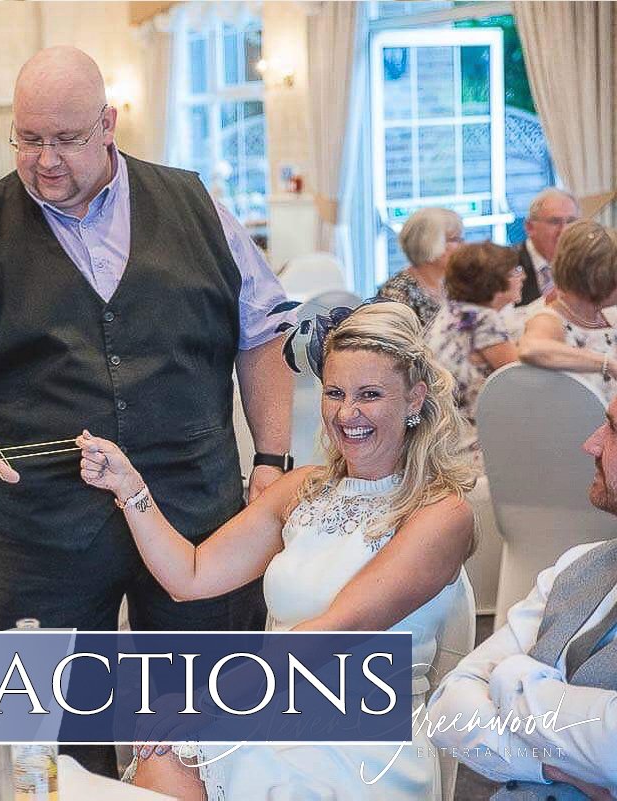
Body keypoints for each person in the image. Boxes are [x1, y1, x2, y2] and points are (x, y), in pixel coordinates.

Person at [0, 46, 295, 776]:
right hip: (42, 522)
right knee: (46, 734)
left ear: (108, 124)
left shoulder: (195, 206)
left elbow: (265, 332)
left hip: (193, 508)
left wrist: (271, 459)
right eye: (28, 139)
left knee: (203, 720)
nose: (45, 160)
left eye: (66, 139)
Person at [79, 302, 476, 799]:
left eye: (369, 395)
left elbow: (337, 630)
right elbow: (190, 577)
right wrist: (129, 486)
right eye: (335, 393)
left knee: (170, 755)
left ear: (414, 399)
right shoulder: (302, 490)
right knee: (163, 755)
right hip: (273, 707)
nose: (346, 414)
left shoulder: (442, 513)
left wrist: (208, 701)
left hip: (362, 737)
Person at [427, 395, 617, 799]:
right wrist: (550, 767)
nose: (592, 444)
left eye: (614, 429)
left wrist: (513, 677)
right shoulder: (578, 565)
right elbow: (447, 706)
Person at [428, 242, 524, 460]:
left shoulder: (453, 311)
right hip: (470, 446)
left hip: (443, 438)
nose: (522, 277)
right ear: (495, 281)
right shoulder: (484, 320)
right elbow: (524, 380)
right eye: (515, 271)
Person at [518, 220, 617, 403]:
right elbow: (530, 349)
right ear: (599, 277)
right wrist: (607, 363)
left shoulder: (607, 315)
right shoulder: (549, 319)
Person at [378, 207, 464, 330]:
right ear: (431, 243)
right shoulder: (397, 292)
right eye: (456, 239)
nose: (463, 246)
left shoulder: (455, 283)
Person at [515, 188, 581, 307]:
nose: (564, 230)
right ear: (530, 227)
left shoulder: (586, 264)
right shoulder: (508, 265)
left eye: (571, 221)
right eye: (554, 221)